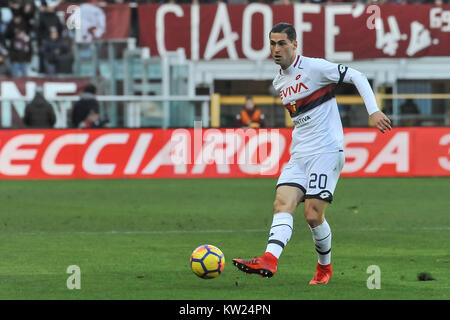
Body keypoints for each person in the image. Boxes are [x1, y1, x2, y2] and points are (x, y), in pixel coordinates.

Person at [232, 23, 392, 284]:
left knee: (313, 214)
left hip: (326, 150)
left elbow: (357, 76)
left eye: (282, 43)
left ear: (295, 45)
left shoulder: (315, 68)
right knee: (282, 203)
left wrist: (373, 111)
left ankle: (324, 268)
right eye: (272, 43)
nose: (276, 49)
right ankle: (269, 259)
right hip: (300, 153)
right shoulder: (279, 80)